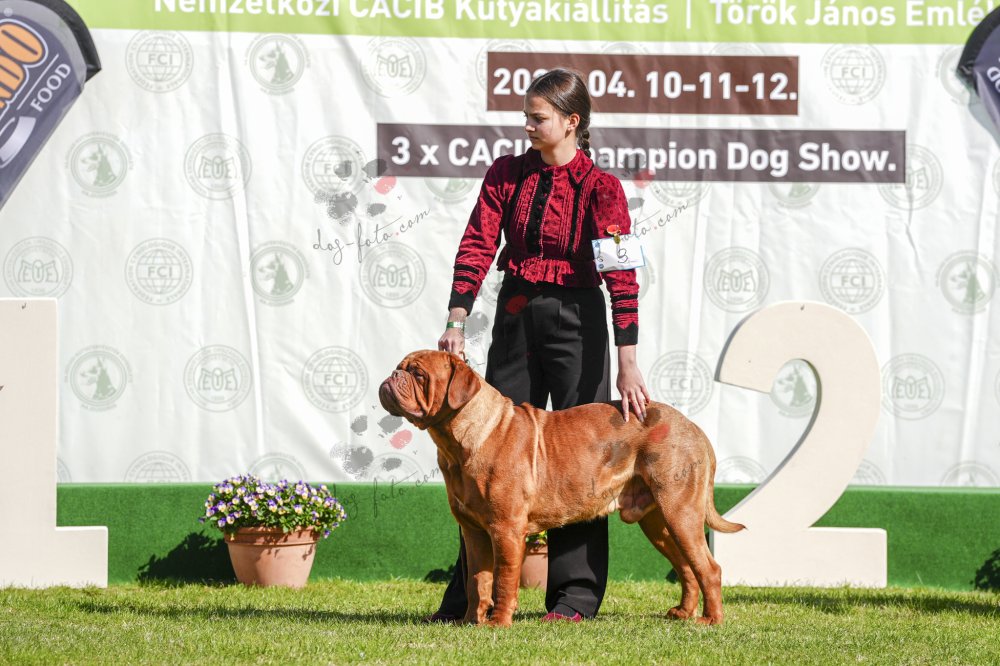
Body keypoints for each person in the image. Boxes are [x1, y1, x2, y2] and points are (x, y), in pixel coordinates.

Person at [431, 68, 649, 623]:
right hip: (516, 315)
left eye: (538, 117)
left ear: (572, 122)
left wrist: (627, 363)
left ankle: (575, 598)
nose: (527, 126)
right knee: (488, 458)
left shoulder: (603, 188)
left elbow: (622, 276)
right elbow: (477, 243)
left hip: (581, 323)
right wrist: (457, 317)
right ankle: (469, 598)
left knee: (581, 460)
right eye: (526, 116)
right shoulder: (505, 174)